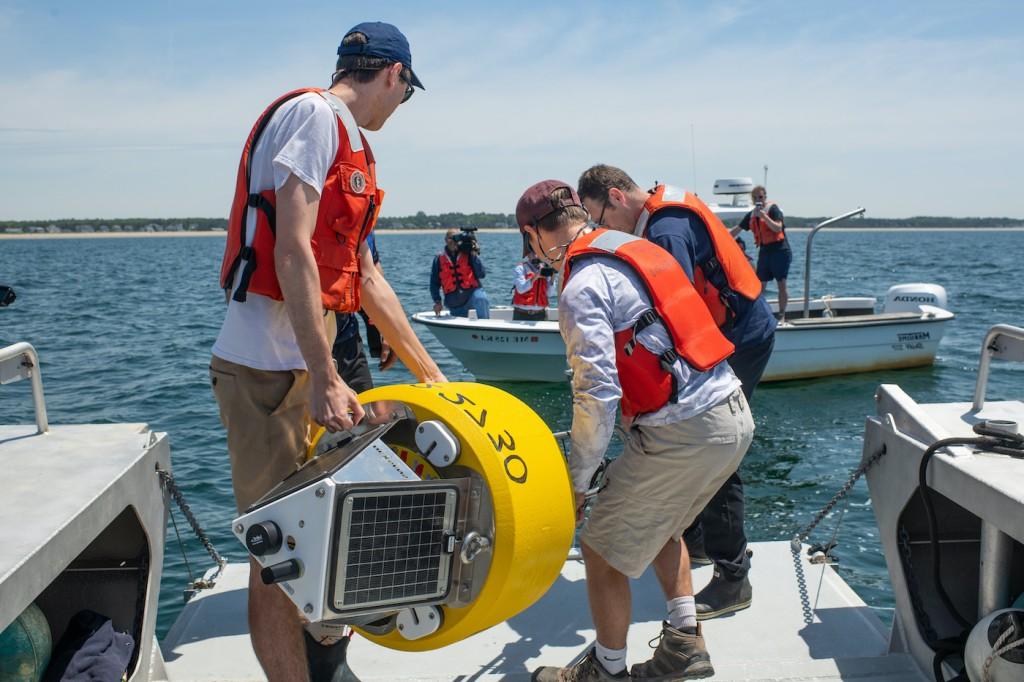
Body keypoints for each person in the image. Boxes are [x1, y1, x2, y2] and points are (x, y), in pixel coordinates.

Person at [211, 22, 446, 682]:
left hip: (313, 368)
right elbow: (291, 247)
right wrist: (322, 375)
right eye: (407, 92)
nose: (401, 107)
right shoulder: (314, 117)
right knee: (278, 552)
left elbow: (367, 279)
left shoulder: (351, 148)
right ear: (394, 75)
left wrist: (434, 379)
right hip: (267, 371)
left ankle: (330, 662)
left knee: (341, 528)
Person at [517, 180, 753, 681]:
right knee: (666, 524)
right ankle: (684, 643)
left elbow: (597, 396)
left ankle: (606, 671)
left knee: (600, 548)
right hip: (732, 414)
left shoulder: (581, 286)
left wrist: (576, 484)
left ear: (533, 235)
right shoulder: (634, 248)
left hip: (684, 432)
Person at [577, 165, 776, 620]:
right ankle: (698, 544)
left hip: (738, 337)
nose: (601, 230)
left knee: (714, 440)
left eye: (600, 218)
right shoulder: (660, 214)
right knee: (707, 440)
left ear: (615, 196)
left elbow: (672, 306)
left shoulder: (665, 231)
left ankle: (733, 577)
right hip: (735, 329)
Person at [333, 231, 395, 393]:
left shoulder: (364, 216)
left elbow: (370, 276)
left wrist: (386, 329)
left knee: (365, 412)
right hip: (297, 351)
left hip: (347, 342)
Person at [731, 185, 791, 319]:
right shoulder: (752, 215)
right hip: (765, 252)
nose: (759, 199)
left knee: (781, 283)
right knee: (760, 284)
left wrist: (764, 216)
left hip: (780, 251)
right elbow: (737, 229)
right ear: (752, 200)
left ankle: (782, 315)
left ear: (765, 197)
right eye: (755, 197)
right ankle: (757, 314)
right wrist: (722, 237)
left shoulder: (773, 210)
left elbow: (777, 228)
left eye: (761, 197)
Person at [429, 228, 490, 318]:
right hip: (454, 302)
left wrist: (474, 254)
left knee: (481, 298)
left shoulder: (468, 254)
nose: (453, 241)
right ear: (445, 240)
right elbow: (434, 283)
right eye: (450, 238)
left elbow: (482, 274)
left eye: (456, 238)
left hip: (472, 295)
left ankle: (485, 327)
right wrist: (437, 302)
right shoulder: (438, 259)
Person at [511, 250, 555, 321]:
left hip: (541, 314)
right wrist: (536, 276)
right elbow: (521, 289)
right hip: (521, 314)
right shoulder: (521, 268)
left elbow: (550, 294)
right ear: (528, 254)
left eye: (539, 253)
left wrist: (552, 277)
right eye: (534, 253)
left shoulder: (545, 269)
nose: (536, 256)